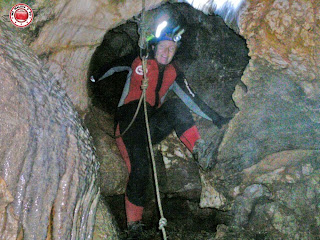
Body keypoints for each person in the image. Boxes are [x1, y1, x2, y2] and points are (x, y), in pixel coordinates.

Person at [91, 19, 230, 239]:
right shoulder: (140, 59)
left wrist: (217, 118)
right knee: (140, 167)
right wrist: (93, 76)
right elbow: (112, 66)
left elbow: (192, 100)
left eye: (172, 49)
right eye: (164, 46)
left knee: (175, 105)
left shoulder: (174, 72)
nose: (167, 51)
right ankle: (133, 227)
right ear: (154, 47)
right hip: (129, 121)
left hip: (151, 125)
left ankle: (198, 149)